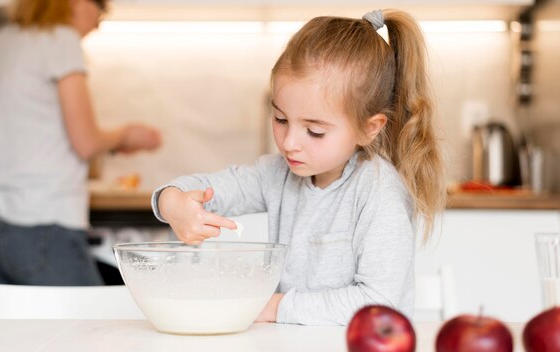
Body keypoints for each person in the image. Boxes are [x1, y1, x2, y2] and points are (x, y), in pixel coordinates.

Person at [151, 9, 445, 325]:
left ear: (369, 128)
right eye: (280, 119)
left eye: (314, 130)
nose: (290, 142)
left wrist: (276, 308)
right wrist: (172, 203)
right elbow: (205, 188)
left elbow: (379, 304)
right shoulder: (278, 173)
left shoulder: (378, 191)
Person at [0, 0, 162, 286]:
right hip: (43, 226)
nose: (99, 21)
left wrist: (110, 144)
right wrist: (125, 134)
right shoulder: (61, 39)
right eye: (100, 9)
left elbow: (35, 131)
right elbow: (85, 142)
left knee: (15, 330)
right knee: (93, 327)